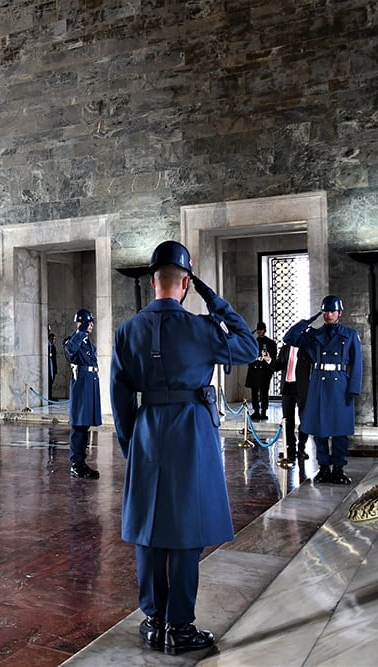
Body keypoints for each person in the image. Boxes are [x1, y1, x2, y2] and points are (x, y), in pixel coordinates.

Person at [110, 240, 258, 655]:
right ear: (186, 284)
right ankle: (180, 627)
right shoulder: (202, 327)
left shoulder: (126, 332)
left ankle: (153, 621)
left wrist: (131, 443)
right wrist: (215, 301)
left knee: (150, 530)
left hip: (147, 429)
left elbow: (120, 399)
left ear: (152, 281)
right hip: (191, 431)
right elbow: (249, 346)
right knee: (186, 532)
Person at [283, 295, 362, 485]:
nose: (328, 315)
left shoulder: (350, 335)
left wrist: (353, 388)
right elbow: (289, 337)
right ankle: (324, 468)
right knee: (320, 430)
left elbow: (358, 363)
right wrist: (308, 321)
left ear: (340, 313)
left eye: (332, 311)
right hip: (319, 384)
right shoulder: (313, 336)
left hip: (340, 384)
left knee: (340, 431)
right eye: (325, 311)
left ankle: (338, 469)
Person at [64, 309, 101, 479]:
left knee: (85, 424)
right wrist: (80, 331)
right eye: (89, 322)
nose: (91, 325)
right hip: (81, 385)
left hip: (90, 383)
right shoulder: (74, 340)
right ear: (83, 322)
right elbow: (70, 351)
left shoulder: (86, 341)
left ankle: (81, 462)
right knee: (79, 425)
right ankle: (76, 464)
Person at [273, 342, 311, 461]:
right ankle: (290, 448)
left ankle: (301, 448)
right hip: (287, 387)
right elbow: (278, 365)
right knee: (287, 420)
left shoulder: (306, 348)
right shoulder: (285, 348)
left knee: (304, 418)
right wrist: (269, 360)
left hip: (302, 388)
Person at [243, 321, 277, 420]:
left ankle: (263, 411)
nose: (259, 332)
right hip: (254, 370)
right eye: (258, 330)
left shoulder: (270, 343)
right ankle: (256, 410)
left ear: (264, 330)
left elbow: (273, 358)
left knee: (264, 392)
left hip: (265, 371)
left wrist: (270, 369)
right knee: (254, 392)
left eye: (261, 330)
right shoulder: (254, 342)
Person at [47, 331, 58, 400]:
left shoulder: (53, 347)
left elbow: (54, 359)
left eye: (54, 339)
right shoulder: (47, 346)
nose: (53, 340)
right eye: (52, 339)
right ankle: (48, 396)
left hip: (52, 366)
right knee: (48, 382)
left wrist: (55, 368)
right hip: (48, 365)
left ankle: (50, 396)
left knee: (51, 381)